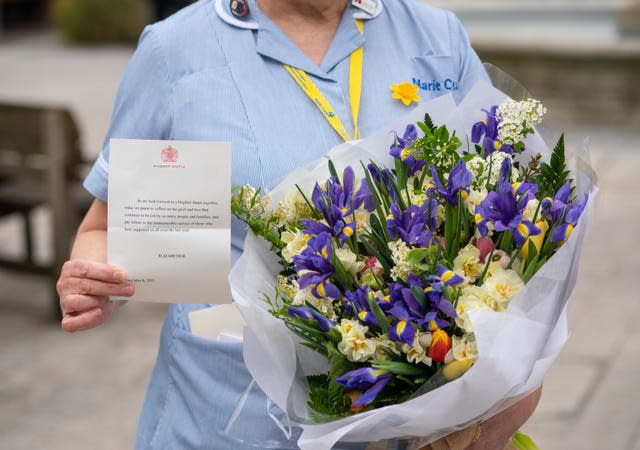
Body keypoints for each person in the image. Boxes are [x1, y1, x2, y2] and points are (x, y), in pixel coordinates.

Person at [56, 0, 541, 448]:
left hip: (405, 414)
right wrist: (94, 278)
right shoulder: (174, 49)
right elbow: (103, 227)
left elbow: (512, 197)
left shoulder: (436, 35)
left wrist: (512, 366)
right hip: (228, 411)